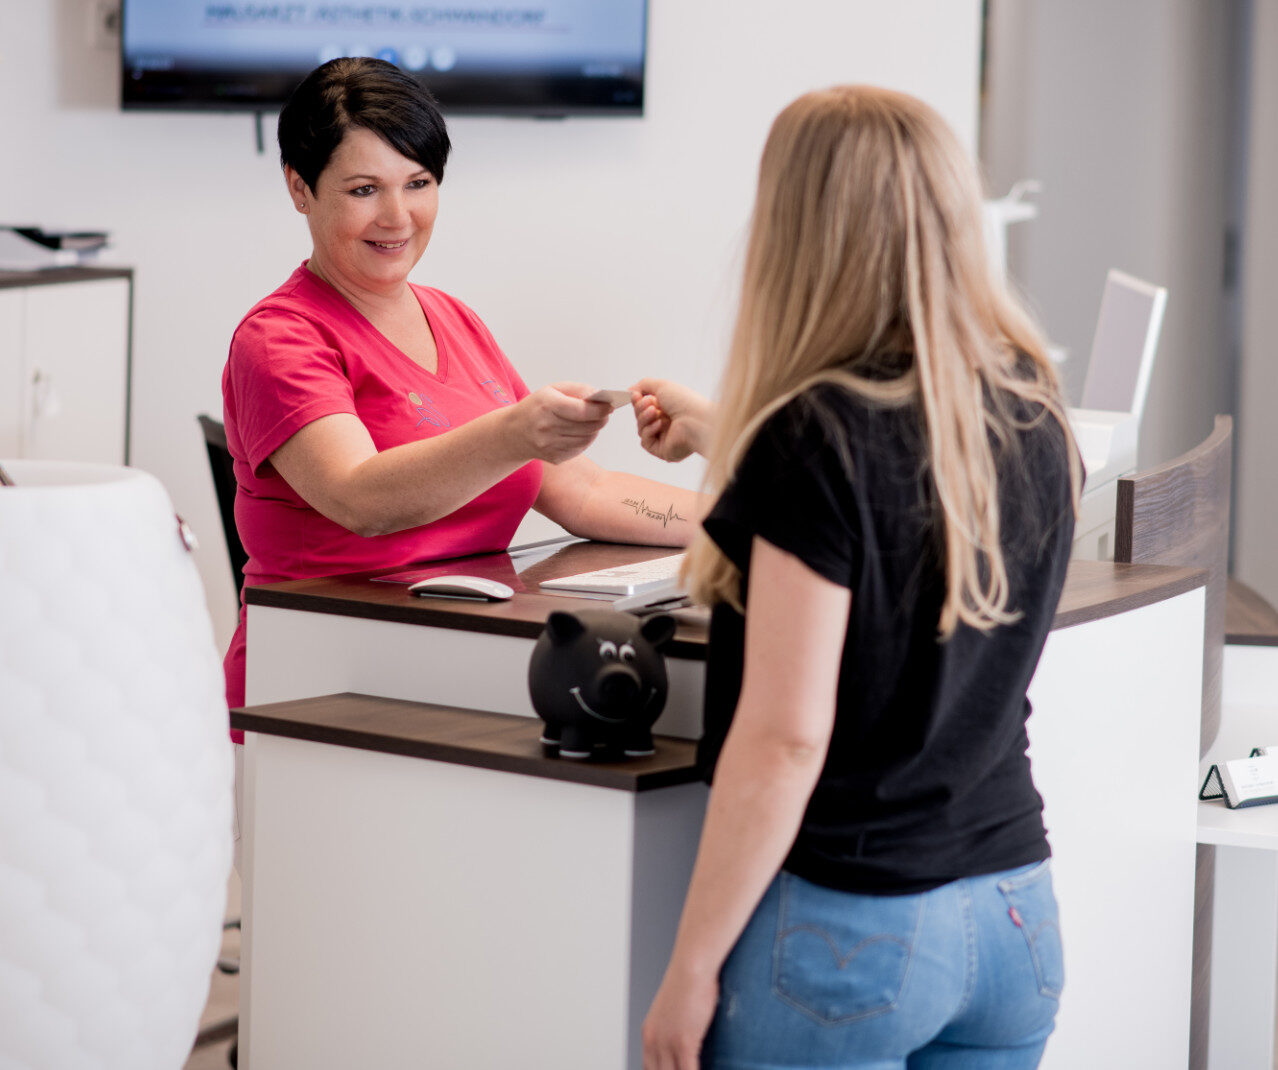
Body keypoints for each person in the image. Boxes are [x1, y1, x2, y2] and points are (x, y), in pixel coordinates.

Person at [632, 86, 1081, 1070]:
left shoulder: (815, 438)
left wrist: (691, 966)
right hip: (1014, 914)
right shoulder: (1030, 411)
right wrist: (722, 433)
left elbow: (788, 740)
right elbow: (901, 498)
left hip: (853, 933)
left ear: (800, 230)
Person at [221, 56, 703, 730]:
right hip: (321, 679)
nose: (397, 215)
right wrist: (511, 434)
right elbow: (360, 498)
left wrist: (743, 523)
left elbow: (580, 490)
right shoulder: (280, 338)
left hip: (456, 663)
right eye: (364, 189)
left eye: (418, 183)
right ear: (300, 188)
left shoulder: (453, 318)